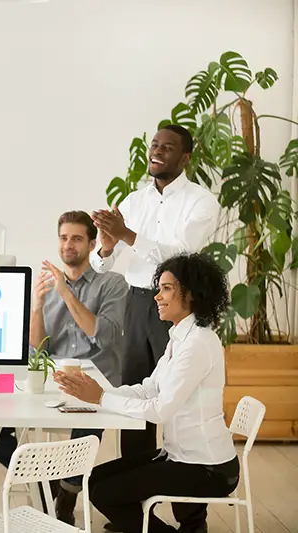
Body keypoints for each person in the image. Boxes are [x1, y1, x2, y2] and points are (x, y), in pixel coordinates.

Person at [55, 253, 239, 533]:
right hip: (179, 455)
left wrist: (102, 398)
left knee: (103, 492)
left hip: (206, 467)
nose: (157, 297)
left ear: (190, 294)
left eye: (166, 289)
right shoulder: (181, 336)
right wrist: (101, 393)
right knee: (95, 481)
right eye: (159, 288)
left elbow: (160, 409)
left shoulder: (197, 344)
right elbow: (149, 387)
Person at [0, 210, 127, 525]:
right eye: (64, 238)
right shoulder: (47, 285)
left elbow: (103, 334)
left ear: (92, 244)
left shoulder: (112, 284)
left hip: (94, 378)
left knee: (88, 423)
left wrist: (67, 294)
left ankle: (65, 496)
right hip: (50, 378)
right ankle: (46, 482)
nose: (69, 245)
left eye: (77, 238)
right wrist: (37, 307)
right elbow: (36, 351)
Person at [90, 125, 220, 460]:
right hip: (135, 303)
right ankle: (134, 487)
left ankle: (189, 497)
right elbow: (104, 264)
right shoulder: (133, 201)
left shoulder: (201, 201)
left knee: (178, 397)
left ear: (185, 157)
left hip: (177, 304)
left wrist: (128, 235)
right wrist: (106, 247)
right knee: (136, 386)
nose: (157, 152)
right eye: (155, 145)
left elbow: (181, 257)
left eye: (168, 147)